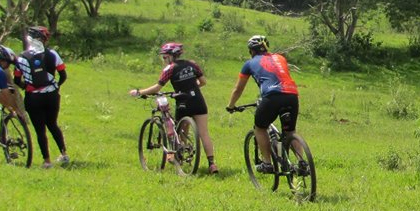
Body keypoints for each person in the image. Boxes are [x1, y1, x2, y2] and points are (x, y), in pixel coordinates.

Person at [128, 42, 219, 174]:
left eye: (165, 57)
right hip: (198, 101)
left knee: (179, 131)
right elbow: (203, 82)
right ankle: (212, 164)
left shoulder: (170, 68)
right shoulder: (192, 64)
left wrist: (139, 92)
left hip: (183, 103)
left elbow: (157, 87)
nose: (164, 60)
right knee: (204, 134)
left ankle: (178, 156)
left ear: (171, 56)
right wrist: (191, 88)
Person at [227, 35, 302, 174]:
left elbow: (238, 89)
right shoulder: (280, 58)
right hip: (292, 95)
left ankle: (267, 163)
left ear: (251, 51)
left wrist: (231, 105)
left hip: (272, 97)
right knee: (290, 131)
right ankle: (302, 162)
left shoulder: (249, 64)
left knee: (260, 127)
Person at [16, 26, 70, 169]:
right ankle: (64, 154)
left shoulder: (22, 57)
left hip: (33, 98)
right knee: (52, 124)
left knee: (40, 130)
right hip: (51, 96)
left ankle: (47, 161)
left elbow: (17, 79)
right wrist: (55, 86)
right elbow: (63, 75)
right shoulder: (52, 54)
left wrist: (26, 87)